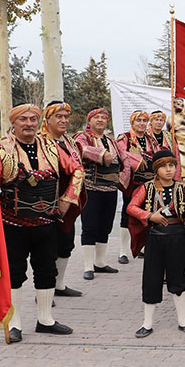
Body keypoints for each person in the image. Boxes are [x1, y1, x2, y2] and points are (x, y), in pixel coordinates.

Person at [0, 104, 83, 342]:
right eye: (23, 119)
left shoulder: (50, 146)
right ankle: (14, 323)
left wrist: (66, 200)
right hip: (13, 224)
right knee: (14, 273)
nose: (29, 123)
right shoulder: (0, 148)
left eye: (34, 118)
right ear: (13, 122)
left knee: (46, 270)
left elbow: (77, 170)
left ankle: (45, 320)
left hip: (46, 223)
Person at [127, 150, 185, 338]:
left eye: (171, 165)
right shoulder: (146, 188)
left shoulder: (184, 189)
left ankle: (183, 321)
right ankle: (147, 323)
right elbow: (131, 207)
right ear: (156, 169)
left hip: (177, 237)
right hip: (155, 237)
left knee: (177, 277)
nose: (169, 169)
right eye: (164, 166)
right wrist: (149, 216)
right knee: (151, 278)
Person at [74, 108, 126, 280]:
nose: (101, 120)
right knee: (90, 226)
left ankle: (100, 262)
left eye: (104, 118)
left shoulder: (111, 140)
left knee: (106, 225)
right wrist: (101, 153)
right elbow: (80, 149)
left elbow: (122, 158)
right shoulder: (83, 136)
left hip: (110, 189)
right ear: (89, 121)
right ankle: (88, 266)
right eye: (97, 117)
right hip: (91, 188)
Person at [40, 101, 84, 298]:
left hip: (69, 201)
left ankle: (58, 285)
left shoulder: (70, 142)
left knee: (66, 244)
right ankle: (44, 288)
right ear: (47, 119)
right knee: (47, 248)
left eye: (66, 116)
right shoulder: (41, 141)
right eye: (59, 116)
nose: (64, 120)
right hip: (47, 202)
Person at [116, 111, 162, 265]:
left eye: (144, 120)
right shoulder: (125, 138)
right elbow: (120, 154)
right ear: (132, 123)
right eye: (139, 121)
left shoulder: (151, 139)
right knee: (127, 214)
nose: (142, 123)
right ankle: (123, 251)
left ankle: (144, 246)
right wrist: (138, 159)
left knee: (148, 213)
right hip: (133, 183)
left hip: (149, 184)